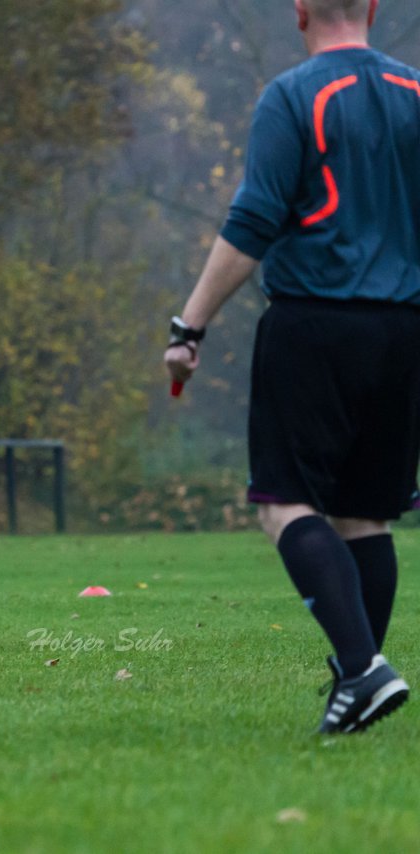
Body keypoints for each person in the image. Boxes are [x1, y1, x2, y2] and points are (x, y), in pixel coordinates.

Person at [165, 0, 415, 733]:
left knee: (284, 504)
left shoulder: (293, 96)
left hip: (315, 325)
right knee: (364, 516)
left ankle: (365, 670)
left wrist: (190, 325)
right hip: (404, 331)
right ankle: (354, 681)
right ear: (373, 6)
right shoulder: (415, 94)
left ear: (300, 9)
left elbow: (252, 223)